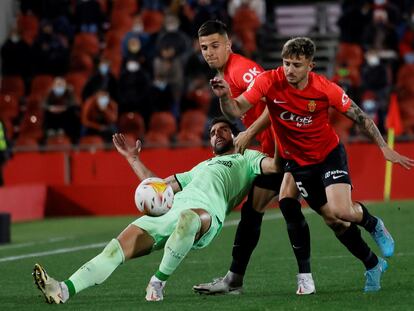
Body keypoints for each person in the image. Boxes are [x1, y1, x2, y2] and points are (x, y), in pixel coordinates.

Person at [208, 36, 414, 292]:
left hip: (328, 155)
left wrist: (384, 148)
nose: (289, 70)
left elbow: (360, 116)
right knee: (331, 219)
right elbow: (236, 110)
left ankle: (373, 224)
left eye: (296, 64)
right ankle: (372, 265)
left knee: (343, 212)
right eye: (286, 63)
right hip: (297, 163)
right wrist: (225, 97)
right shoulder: (269, 80)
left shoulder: (325, 88)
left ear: (310, 65)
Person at [32, 116, 279, 304]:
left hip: (206, 215)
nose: (216, 134)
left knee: (188, 218)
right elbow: (159, 186)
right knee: (114, 249)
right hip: (169, 213)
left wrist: (282, 134)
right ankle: (62, 289)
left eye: (223, 129)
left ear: (235, 134)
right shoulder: (199, 167)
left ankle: (158, 282)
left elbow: (275, 166)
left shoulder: (247, 158)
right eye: (212, 132)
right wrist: (132, 159)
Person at [192, 20, 314, 296]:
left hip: (293, 147)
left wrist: (248, 132)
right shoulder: (226, 75)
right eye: (204, 48)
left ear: (228, 45)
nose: (209, 52)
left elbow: (279, 99)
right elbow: (236, 110)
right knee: (255, 211)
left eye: (214, 46)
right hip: (274, 153)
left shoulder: (242, 70)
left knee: (330, 214)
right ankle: (234, 280)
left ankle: (367, 238)